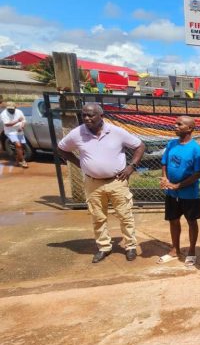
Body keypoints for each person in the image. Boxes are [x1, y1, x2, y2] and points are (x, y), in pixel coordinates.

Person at [57, 102, 146, 263]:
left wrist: (131, 166)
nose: (86, 118)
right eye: (84, 114)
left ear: (101, 116)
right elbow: (61, 148)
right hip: (93, 183)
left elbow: (139, 146)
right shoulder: (77, 133)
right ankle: (104, 247)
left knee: (125, 215)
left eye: (91, 115)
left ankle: (130, 246)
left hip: (117, 181)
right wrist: (79, 163)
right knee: (97, 217)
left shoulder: (116, 132)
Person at [158, 116, 200, 267]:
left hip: (189, 194)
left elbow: (198, 173)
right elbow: (164, 163)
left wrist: (178, 185)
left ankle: (191, 250)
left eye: (179, 124)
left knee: (191, 221)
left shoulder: (195, 148)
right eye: (175, 123)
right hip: (171, 193)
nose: (175, 126)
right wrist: (165, 178)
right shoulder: (171, 144)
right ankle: (175, 249)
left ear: (190, 128)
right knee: (173, 220)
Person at [1, 101, 28, 168]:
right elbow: (7, 124)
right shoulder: (3, 114)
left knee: (20, 147)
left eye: (12, 109)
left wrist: (22, 126)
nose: (10, 110)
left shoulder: (19, 111)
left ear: (15, 107)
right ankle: (23, 161)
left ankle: (17, 161)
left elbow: (23, 120)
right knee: (18, 145)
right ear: (6, 108)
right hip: (10, 131)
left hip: (19, 130)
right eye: (9, 109)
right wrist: (17, 121)